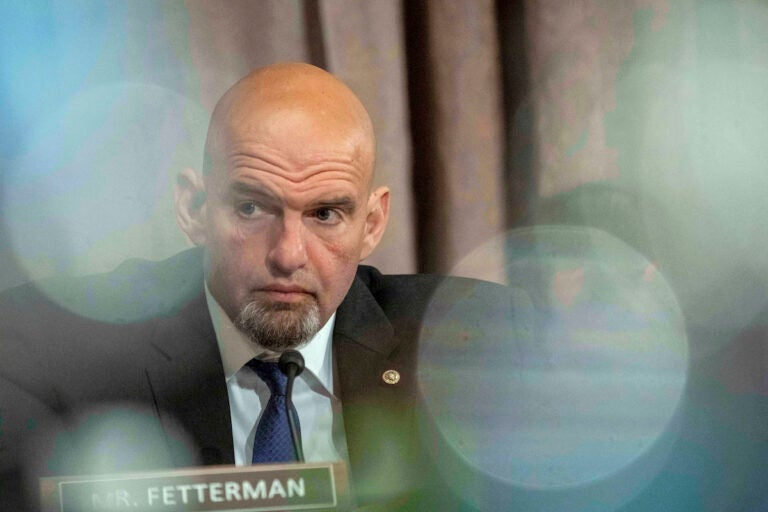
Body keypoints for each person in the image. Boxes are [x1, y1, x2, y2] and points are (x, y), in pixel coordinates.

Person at [0, 63, 525, 511]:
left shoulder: (476, 339)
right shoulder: (48, 351)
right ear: (195, 210)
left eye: (325, 214)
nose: (288, 254)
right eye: (251, 208)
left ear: (370, 224)